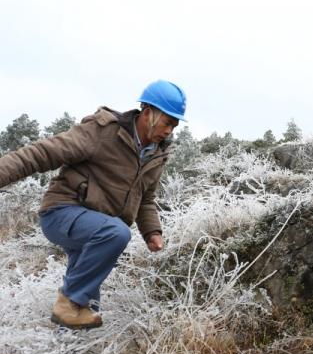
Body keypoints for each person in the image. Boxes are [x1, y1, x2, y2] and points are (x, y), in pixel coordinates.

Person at [0, 79, 187, 329]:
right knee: (116, 234)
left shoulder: (156, 154)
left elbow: (146, 198)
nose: (169, 131)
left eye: (174, 126)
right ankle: (69, 304)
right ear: (147, 112)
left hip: (95, 229)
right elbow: (41, 153)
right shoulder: (102, 132)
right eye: (167, 122)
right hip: (62, 212)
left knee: (86, 308)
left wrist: (152, 232)